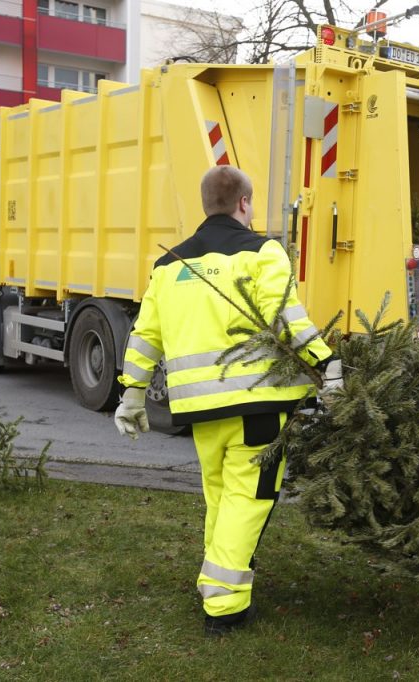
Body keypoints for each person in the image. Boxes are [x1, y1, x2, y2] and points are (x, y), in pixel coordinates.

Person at [113, 166, 341, 636]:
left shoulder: (170, 264)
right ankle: (224, 604)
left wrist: (132, 395)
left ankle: (220, 576)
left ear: (206, 205)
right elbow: (285, 315)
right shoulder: (261, 251)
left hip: (200, 409)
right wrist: (326, 364)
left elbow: (145, 335)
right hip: (258, 405)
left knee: (221, 495)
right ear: (244, 203)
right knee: (249, 497)